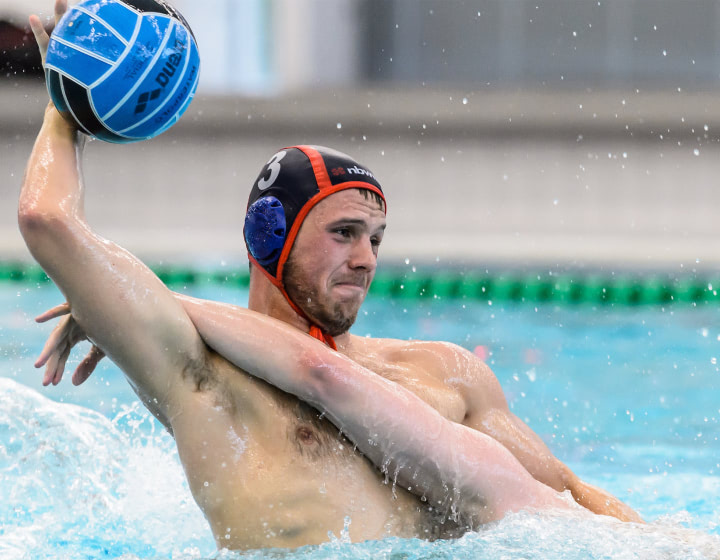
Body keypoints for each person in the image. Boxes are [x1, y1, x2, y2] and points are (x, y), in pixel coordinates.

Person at [21, 0, 641, 550]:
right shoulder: (197, 368)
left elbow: (568, 496)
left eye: (374, 239)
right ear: (271, 235)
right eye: (343, 233)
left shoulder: (441, 372)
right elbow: (45, 218)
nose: (367, 259)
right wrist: (64, 109)